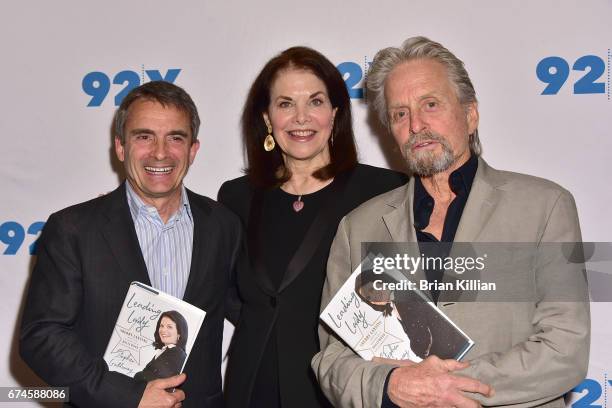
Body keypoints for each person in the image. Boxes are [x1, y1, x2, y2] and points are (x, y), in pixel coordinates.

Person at [312, 37, 590, 407]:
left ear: (470, 115)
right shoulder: (358, 228)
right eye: (399, 113)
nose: (416, 125)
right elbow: (332, 361)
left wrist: (445, 387)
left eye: (430, 104)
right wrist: (391, 384)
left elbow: (564, 348)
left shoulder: (544, 207)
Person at [20, 81, 242, 408]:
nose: (160, 153)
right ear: (121, 147)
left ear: (193, 150)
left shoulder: (223, 226)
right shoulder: (73, 230)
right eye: (144, 136)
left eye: (175, 138)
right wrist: (128, 397)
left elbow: (254, 313)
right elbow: (41, 337)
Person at [218, 46, 408, 408]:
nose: (300, 118)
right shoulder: (236, 197)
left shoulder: (384, 190)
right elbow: (229, 292)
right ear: (267, 117)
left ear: (335, 113)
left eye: (315, 102)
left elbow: (402, 297)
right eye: (286, 103)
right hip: (252, 383)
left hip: (337, 387)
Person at [135, 311, 189, 382]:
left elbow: (157, 379)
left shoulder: (178, 354)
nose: (163, 330)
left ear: (179, 333)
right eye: (161, 326)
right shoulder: (165, 350)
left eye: (169, 327)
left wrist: (139, 375)